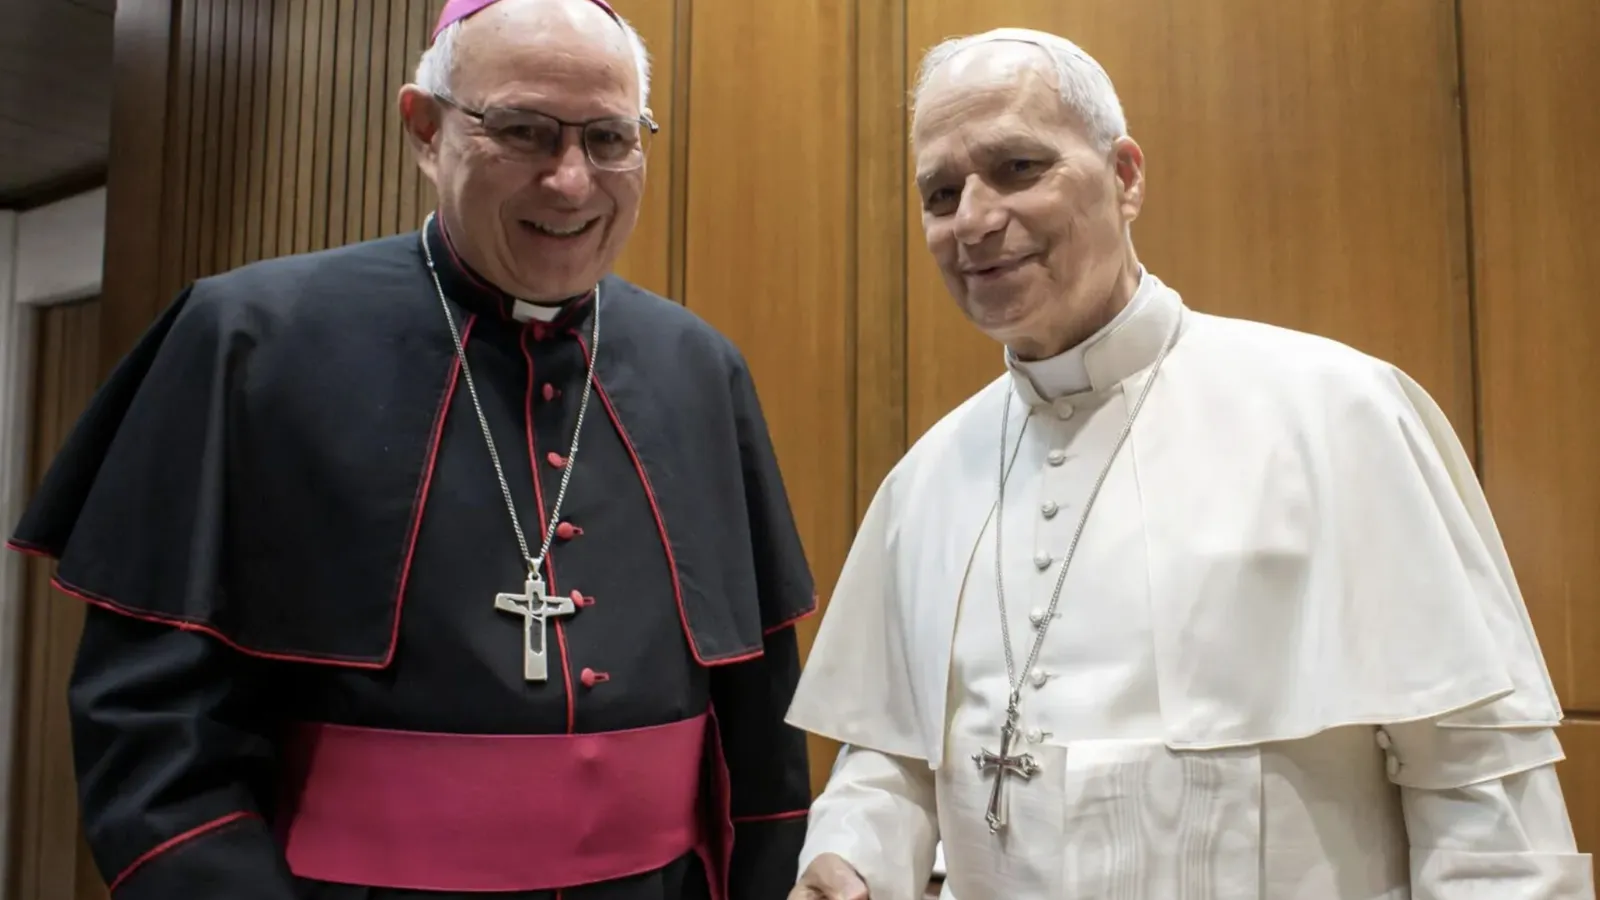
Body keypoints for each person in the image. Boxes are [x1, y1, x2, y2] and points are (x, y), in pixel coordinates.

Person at [8, 1, 816, 898]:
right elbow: (151, 728)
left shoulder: (700, 368)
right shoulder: (249, 339)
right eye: (524, 131)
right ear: (427, 130)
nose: (571, 182)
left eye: (609, 139)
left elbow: (760, 730)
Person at [784, 26, 1594, 900]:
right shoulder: (925, 481)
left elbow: (1482, 798)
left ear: (1125, 177)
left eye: (1019, 167)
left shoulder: (1340, 415)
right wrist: (852, 856)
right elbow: (893, 759)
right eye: (942, 193)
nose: (974, 221)